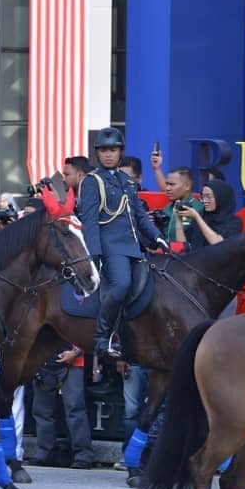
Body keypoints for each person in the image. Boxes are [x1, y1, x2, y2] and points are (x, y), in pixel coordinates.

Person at [78, 127, 166, 361]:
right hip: (110, 248)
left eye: (113, 150)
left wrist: (157, 237)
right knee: (121, 285)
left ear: (120, 152)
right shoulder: (92, 181)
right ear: (97, 153)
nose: (108, 154)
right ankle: (102, 337)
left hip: (134, 247)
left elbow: (139, 216)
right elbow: (90, 220)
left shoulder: (127, 181)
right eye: (104, 150)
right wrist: (94, 255)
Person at [177, 179, 242, 251]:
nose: (205, 201)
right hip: (195, 260)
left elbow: (218, 244)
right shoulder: (202, 216)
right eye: (203, 197)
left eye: (209, 197)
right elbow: (183, 245)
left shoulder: (234, 222)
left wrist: (197, 217)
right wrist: (178, 219)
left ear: (220, 197)